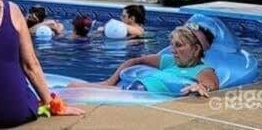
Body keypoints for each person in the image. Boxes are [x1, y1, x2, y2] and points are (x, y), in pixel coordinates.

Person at [77, 23, 218, 97]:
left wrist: (202, 87)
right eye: (173, 45)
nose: (173, 50)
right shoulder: (169, 60)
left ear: (196, 49)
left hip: (137, 96)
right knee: (71, 87)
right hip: (127, 90)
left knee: (74, 91)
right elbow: (134, 61)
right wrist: (109, 82)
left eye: (179, 45)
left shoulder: (203, 70)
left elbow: (210, 84)